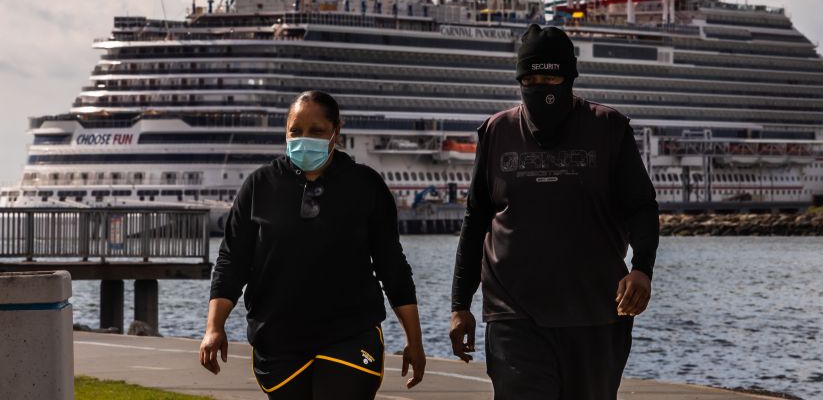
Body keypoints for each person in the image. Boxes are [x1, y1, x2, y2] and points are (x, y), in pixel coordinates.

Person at [449, 24, 659, 400]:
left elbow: (641, 207)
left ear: (570, 78)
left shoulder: (608, 128)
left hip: (596, 313)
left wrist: (642, 267)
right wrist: (459, 305)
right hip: (513, 313)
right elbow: (475, 221)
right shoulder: (496, 132)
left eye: (550, 76)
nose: (540, 86)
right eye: (530, 78)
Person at [201, 90, 426, 399]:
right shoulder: (259, 186)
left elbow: (393, 266)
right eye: (296, 131)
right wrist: (214, 327)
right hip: (277, 341)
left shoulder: (365, 185)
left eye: (316, 131)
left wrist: (414, 339)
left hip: (351, 334)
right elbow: (232, 262)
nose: (304, 138)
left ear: (336, 131)